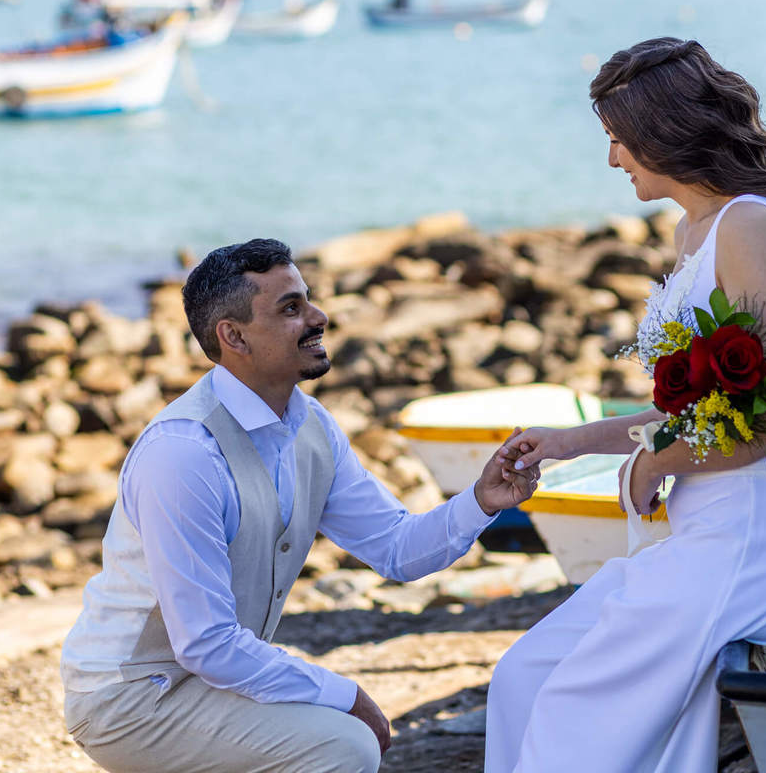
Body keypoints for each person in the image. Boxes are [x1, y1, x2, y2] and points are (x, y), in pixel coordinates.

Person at [484, 38, 766, 772]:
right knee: (525, 677)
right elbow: (709, 411)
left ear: (662, 132)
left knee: (572, 717)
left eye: (617, 141)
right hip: (696, 533)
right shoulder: (696, 231)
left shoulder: (747, 224)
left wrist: (657, 463)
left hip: (753, 538)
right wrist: (572, 442)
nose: (613, 161)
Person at [60, 239, 540, 773]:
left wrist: (480, 501)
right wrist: (345, 694)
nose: (319, 316)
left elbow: (396, 549)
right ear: (233, 335)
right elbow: (206, 644)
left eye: (307, 299)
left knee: (331, 735)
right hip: (133, 695)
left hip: (208, 678)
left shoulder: (309, 425)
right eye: (291, 308)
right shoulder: (183, 453)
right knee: (341, 744)